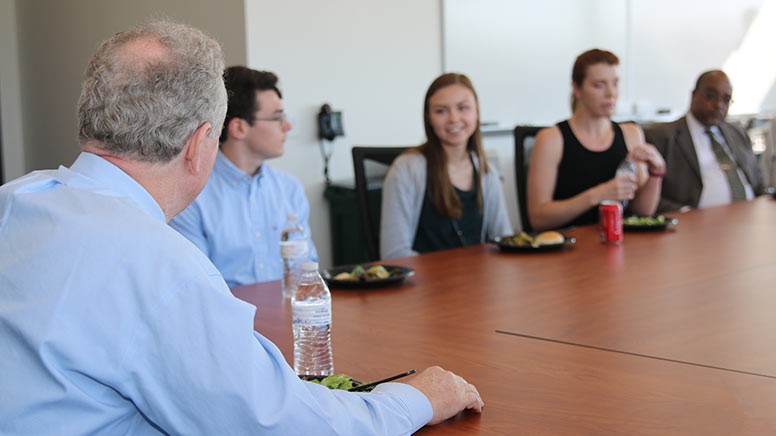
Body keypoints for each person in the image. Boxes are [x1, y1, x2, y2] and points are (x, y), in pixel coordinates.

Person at [0, 21, 483, 434]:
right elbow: (281, 424)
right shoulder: (159, 265)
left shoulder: (15, 201)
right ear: (201, 143)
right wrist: (416, 398)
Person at [169, 66, 318, 287]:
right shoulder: (192, 194)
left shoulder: (290, 188)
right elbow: (197, 286)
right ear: (239, 128)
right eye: (277, 118)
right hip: (225, 318)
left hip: (291, 315)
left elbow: (308, 269)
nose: (287, 127)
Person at [527, 49, 666, 231]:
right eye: (599, 85)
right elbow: (538, 218)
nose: (611, 93)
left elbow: (642, 212)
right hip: (569, 248)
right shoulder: (551, 139)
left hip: (621, 242)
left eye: (615, 84)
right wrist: (598, 195)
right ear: (577, 89)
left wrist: (656, 174)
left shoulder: (631, 133)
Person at [380, 73, 513, 260]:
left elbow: (504, 240)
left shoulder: (486, 171)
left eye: (463, 108)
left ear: (476, 111)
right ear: (428, 118)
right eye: (441, 111)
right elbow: (394, 254)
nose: (453, 118)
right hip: (426, 285)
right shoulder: (406, 170)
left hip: (480, 282)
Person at [644, 70, 763, 213]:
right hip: (696, 224)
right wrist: (686, 214)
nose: (719, 105)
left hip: (750, 216)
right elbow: (646, 197)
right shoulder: (662, 137)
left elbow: (758, 183)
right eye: (711, 96)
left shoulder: (738, 133)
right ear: (694, 95)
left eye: (726, 99)